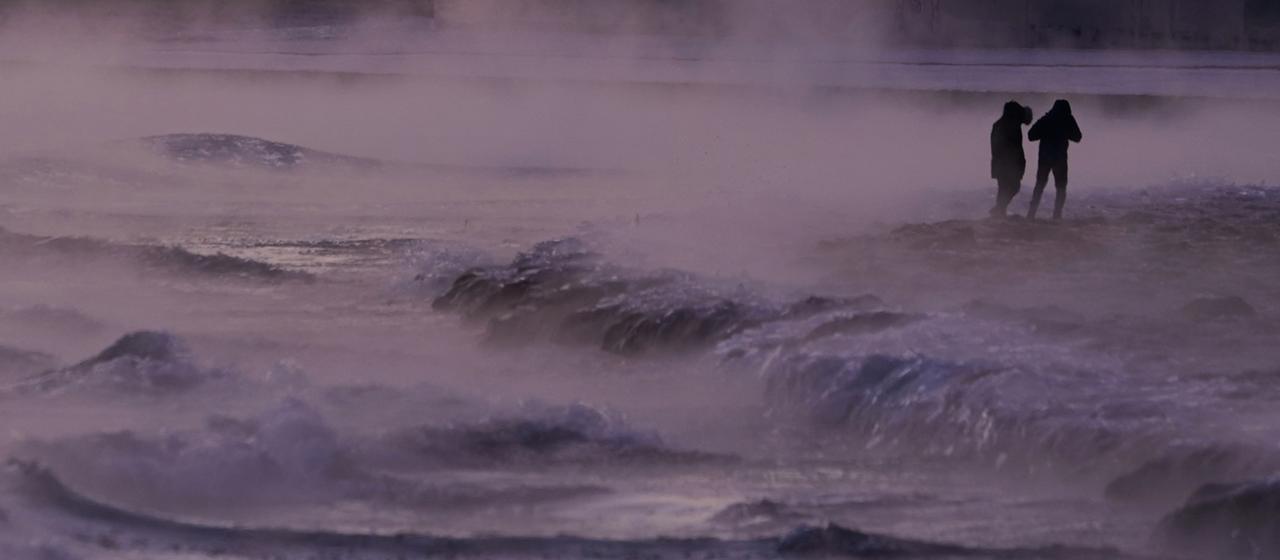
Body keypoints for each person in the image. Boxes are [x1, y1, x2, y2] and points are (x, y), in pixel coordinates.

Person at [1026, 99, 1083, 220]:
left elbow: (1031, 135)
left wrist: (1045, 132)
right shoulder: (1068, 120)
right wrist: (1065, 132)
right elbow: (1078, 137)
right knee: (1061, 188)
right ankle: (1057, 215)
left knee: (1040, 185)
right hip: (1060, 159)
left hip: (1045, 158)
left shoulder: (1046, 119)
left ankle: (1031, 214)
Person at [989, 101, 1032, 217]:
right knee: (1014, 186)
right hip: (1009, 163)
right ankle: (999, 209)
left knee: (1003, 188)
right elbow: (1016, 148)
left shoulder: (999, 124)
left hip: (999, 162)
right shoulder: (1013, 126)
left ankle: (1000, 211)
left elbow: (995, 146)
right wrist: (1020, 163)